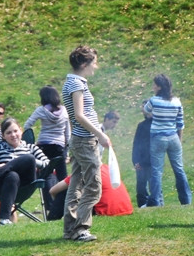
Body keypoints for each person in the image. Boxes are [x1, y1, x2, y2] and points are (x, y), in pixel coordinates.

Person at [62, 45, 112, 242]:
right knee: (93, 186)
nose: (96, 67)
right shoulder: (76, 84)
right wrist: (100, 134)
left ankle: (70, 230)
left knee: (76, 184)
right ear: (84, 64)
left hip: (81, 140)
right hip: (85, 141)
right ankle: (81, 228)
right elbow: (80, 116)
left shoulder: (73, 82)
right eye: (94, 63)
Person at [0, 117, 49, 226]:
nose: (13, 135)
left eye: (15, 131)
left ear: (21, 131)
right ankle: (4, 219)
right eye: (9, 133)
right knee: (12, 175)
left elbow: (47, 163)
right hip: (5, 185)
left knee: (29, 158)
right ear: (3, 136)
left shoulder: (31, 147)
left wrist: (31, 162)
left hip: (27, 183)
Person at [143, 74, 191, 206]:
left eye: (154, 85)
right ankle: (186, 200)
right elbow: (180, 123)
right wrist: (179, 140)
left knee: (157, 171)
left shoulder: (154, 100)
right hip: (174, 137)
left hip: (158, 138)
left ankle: (156, 201)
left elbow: (146, 110)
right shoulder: (177, 101)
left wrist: (154, 114)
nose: (153, 87)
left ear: (159, 87)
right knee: (179, 169)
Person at [24, 86, 71, 220]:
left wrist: (31, 143)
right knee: (64, 179)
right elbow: (67, 134)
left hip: (43, 147)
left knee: (45, 177)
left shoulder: (41, 110)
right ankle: (63, 207)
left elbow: (27, 125)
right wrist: (66, 152)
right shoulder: (64, 111)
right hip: (59, 148)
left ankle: (50, 207)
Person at [48, 163, 134, 217]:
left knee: (65, 192)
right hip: (125, 209)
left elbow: (53, 191)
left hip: (104, 211)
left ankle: (53, 219)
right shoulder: (107, 168)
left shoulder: (85, 171)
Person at [131, 106, 152, 208]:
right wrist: (135, 161)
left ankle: (155, 202)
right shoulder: (141, 126)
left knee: (154, 183)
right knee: (141, 184)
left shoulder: (157, 125)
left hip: (153, 161)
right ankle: (142, 203)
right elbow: (136, 144)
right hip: (141, 160)